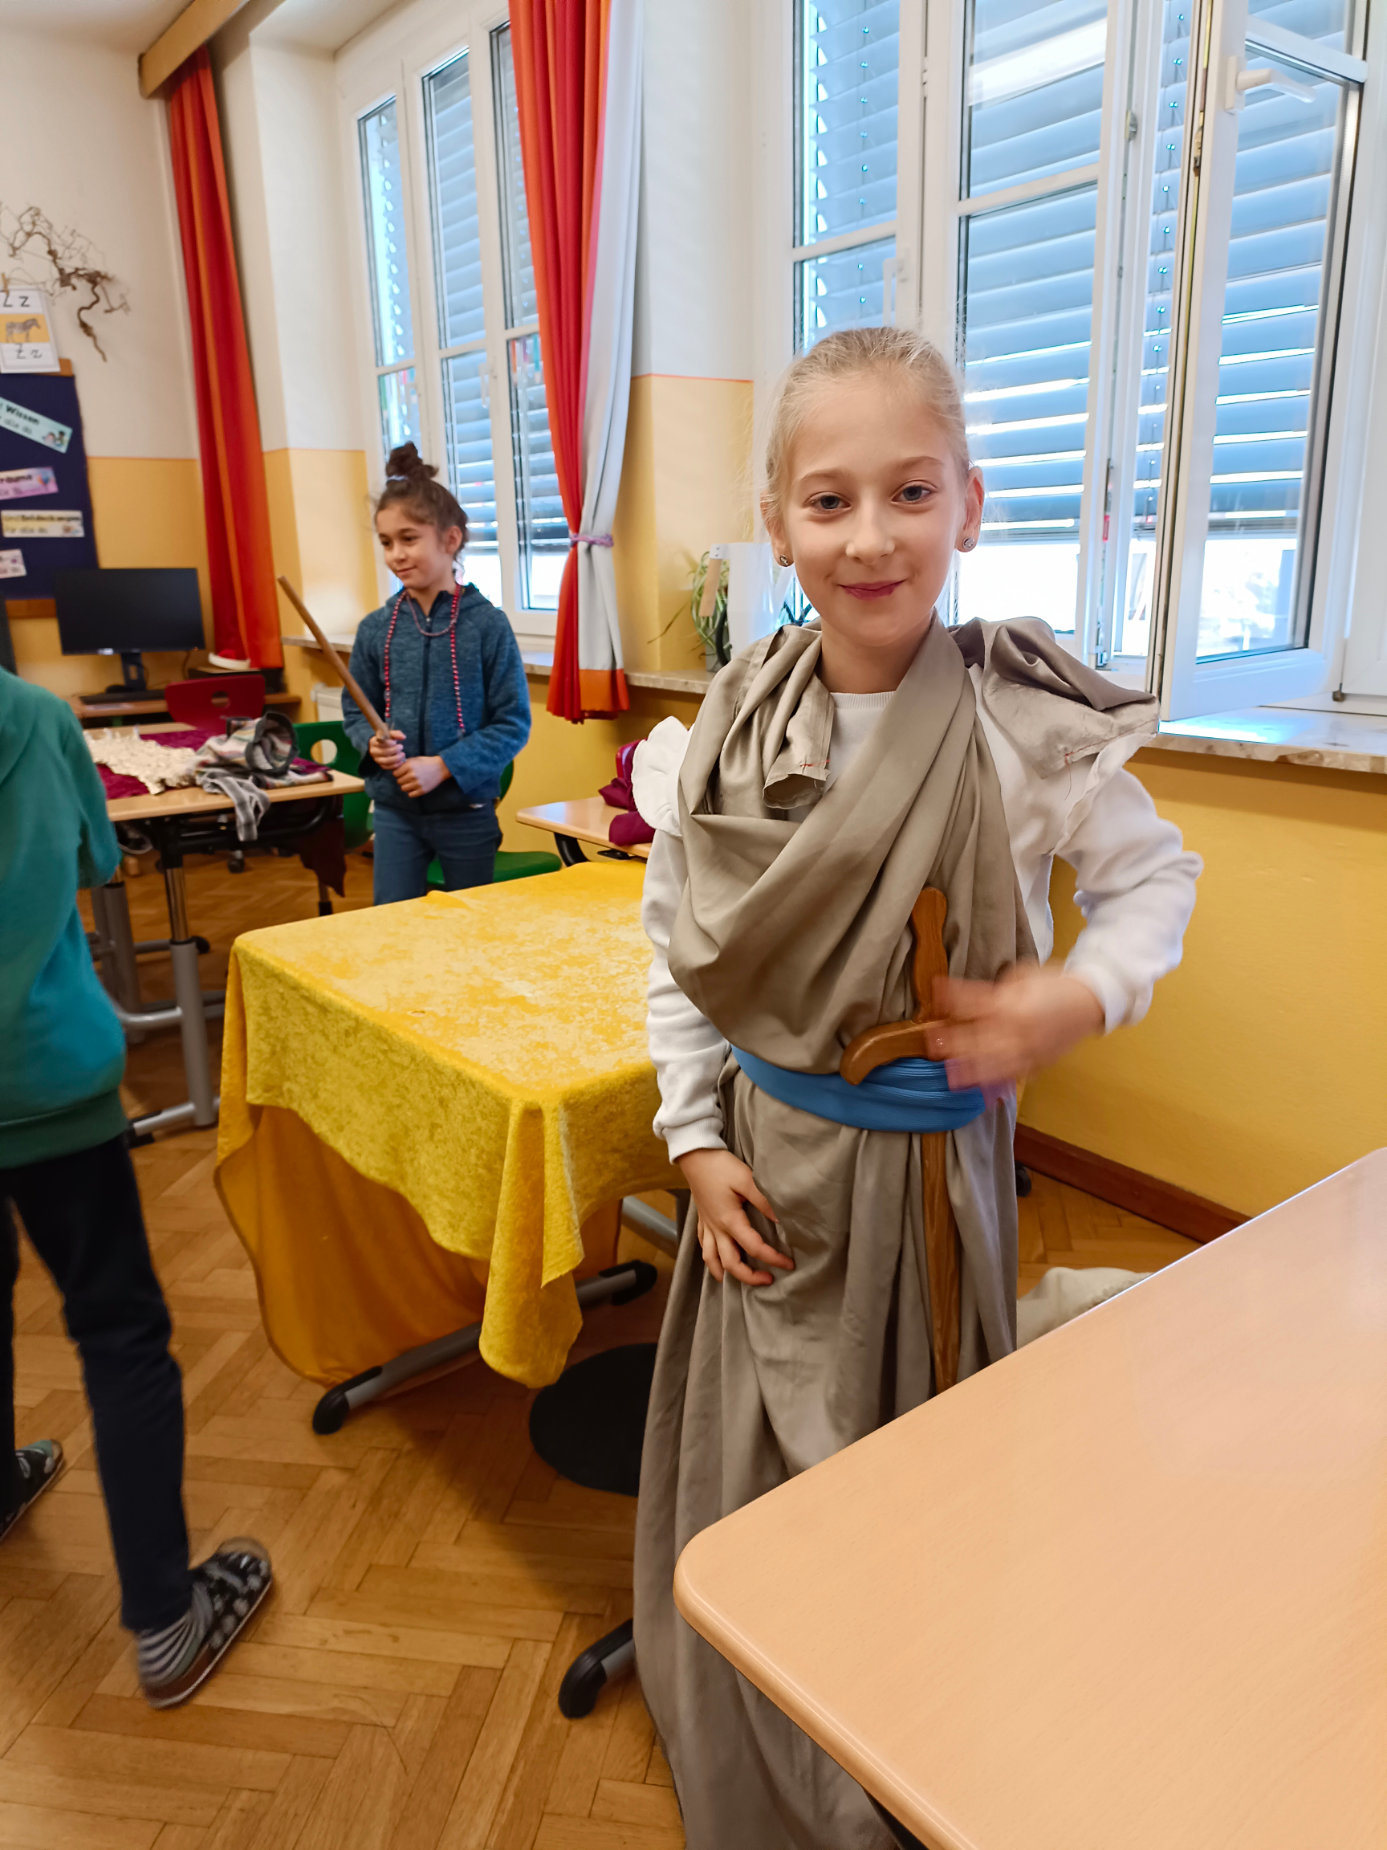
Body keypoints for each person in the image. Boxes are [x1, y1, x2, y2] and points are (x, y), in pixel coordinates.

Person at [630, 327, 1202, 1849]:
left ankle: (898, 1737)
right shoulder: (729, 731)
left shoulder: (1021, 724)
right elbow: (681, 948)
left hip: (932, 1191)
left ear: (969, 502)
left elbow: (1154, 880)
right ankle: (761, 1721)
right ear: (775, 524)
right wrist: (689, 1138)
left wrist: (1073, 994)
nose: (869, 536)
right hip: (761, 1167)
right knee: (758, 1465)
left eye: (909, 492)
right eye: (827, 501)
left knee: (913, 1476)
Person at [0, 667, 271, 1708]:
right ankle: (165, 1620)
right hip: (44, 1077)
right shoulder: (32, 718)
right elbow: (96, 857)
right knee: (119, 1334)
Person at [342, 443, 532, 904]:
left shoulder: (487, 626)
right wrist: (371, 743)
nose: (396, 554)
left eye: (409, 539)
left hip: (467, 810)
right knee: (396, 923)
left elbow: (512, 724)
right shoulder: (375, 629)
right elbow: (355, 711)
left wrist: (444, 766)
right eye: (386, 542)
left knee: (471, 924)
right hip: (394, 811)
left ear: (450, 540)